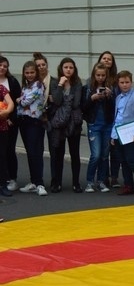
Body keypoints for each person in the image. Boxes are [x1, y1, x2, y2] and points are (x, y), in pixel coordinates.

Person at [48, 57, 84, 193]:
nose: (68, 70)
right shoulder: (55, 82)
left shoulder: (77, 83)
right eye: (66, 67)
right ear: (61, 69)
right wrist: (61, 85)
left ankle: (76, 183)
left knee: (75, 153)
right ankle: (57, 182)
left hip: (73, 123)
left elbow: (76, 104)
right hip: (59, 123)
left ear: (74, 69)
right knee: (58, 154)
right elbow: (56, 101)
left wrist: (65, 99)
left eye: (71, 67)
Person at [81, 62, 115, 193]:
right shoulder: (88, 88)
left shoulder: (109, 88)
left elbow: (114, 108)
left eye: (103, 75)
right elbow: (83, 107)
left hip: (107, 124)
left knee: (105, 155)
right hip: (94, 124)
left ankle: (101, 181)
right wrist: (92, 98)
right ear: (94, 75)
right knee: (96, 155)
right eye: (98, 75)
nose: (100, 78)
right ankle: (90, 181)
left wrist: (109, 96)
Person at [16, 61, 47, 196]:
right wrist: (21, 99)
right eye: (27, 73)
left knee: (36, 152)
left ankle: (40, 183)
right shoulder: (26, 85)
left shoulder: (38, 85)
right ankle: (33, 182)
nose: (29, 75)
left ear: (36, 73)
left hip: (35, 122)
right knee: (30, 152)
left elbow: (24, 101)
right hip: (24, 121)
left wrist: (19, 99)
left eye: (32, 72)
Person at [0, 56, 21, 193]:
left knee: (4, 154)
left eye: (5, 66)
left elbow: (12, 102)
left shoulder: (4, 86)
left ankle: (4, 183)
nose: (2, 68)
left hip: (4, 124)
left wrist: (6, 113)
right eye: (0, 65)